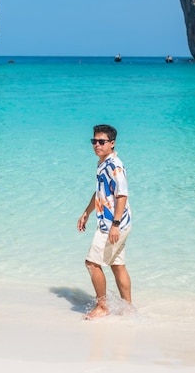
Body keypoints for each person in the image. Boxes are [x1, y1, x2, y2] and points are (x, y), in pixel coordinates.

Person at [77, 124, 132, 319]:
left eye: (102, 142)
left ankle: (102, 307)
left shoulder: (114, 166)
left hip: (112, 224)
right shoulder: (103, 163)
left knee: (92, 263)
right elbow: (101, 192)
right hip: (118, 222)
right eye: (94, 141)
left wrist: (115, 225)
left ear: (112, 143)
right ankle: (127, 308)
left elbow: (122, 195)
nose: (97, 145)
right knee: (117, 265)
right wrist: (87, 212)